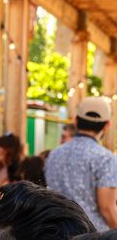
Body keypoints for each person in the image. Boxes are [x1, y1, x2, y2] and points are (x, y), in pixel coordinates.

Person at [45, 96, 117, 232]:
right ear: (107, 125)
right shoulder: (105, 158)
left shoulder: (54, 154)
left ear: (76, 120)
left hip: (56, 235)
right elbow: (107, 209)